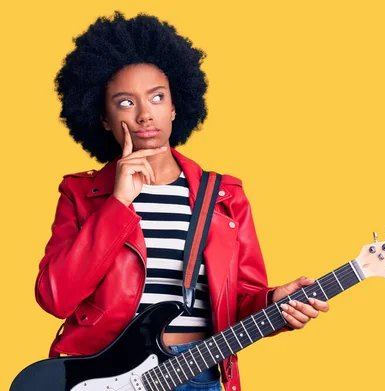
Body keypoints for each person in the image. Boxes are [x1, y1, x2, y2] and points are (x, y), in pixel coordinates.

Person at [35, 11, 329, 391]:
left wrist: (276, 301)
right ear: (103, 117)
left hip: (199, 378)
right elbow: (55, 297)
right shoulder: (81, 193)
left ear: (175, 106)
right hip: (102, 379)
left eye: (157, 97)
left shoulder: (225, 197)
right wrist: (118, 204)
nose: (145, 114)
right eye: (125, 102)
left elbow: (239, 301)